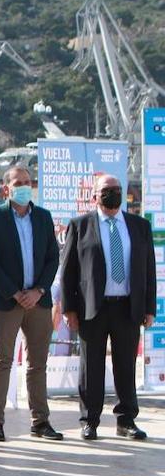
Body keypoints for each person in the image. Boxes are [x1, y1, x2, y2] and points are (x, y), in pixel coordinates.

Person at [60, 174, 154, 440]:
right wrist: (69, 309)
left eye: (117, 189)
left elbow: (148, 270)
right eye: (106, 190)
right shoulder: (80, 226)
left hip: (127, 307)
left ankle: (126, 421)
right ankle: (89, 421)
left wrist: (149, 308)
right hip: (93, 308)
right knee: (91, 367)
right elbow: (68, 271)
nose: (113, 193)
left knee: (126, 365)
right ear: (94, 196)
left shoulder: (139, 226)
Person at [0, 165, 62, 442]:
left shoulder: (43, 217)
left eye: (28, 182)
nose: (25, 186)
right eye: (19, 182)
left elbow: (53, 257)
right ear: (6, 188)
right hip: (7, 302)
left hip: (38, 301)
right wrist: (16, 293)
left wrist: (39, 290)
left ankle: (40, 421)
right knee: (2, 360)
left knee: (37, 362)